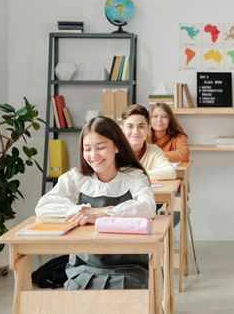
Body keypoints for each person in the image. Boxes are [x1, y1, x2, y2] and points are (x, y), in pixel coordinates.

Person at [35, 116, 157, 290]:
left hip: (129, 268)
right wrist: (80, 210)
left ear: (116, 146)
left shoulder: (134, 177)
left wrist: (102, 213)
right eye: (87, 149)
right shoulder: (76, 178)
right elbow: (43, 207)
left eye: (100, 147)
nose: (93, 155)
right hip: (84, 269)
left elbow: (148, 207)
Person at [121, 104, 176, 180]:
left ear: (148, 129)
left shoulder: (153, 150)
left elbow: (171, 173)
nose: (135, 132)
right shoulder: (114, 151)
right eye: (130, 126)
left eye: (141, 126)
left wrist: (135, 174)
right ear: (122, 129)